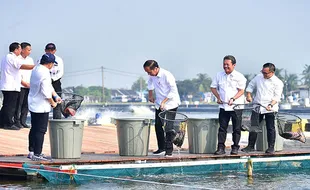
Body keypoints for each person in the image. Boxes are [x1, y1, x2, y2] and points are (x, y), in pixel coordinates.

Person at [241, 63, 284, 154]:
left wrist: (271, 105)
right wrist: (248, 95)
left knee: (270, 128)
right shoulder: (258, 77)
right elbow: (250, 86)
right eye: (262, 72)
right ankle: (250, 146)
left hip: (270, 108)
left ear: (272, 72)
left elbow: (277, 97)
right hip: (257, 105)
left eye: (266, 73)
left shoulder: (278, 82)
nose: (263, 74)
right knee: (254, 127)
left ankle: (271, 147)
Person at [27, 53, 62, 160]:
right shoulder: (45, 72)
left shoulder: (36, 69)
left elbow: (49, 85)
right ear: (50, 63)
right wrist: (53, 102)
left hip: (33, 103)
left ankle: (32, 152)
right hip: (41, 106)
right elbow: (46, 91)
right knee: (41, 130)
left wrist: (56, 96)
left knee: (34, 128)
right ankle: (38, 154)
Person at [210, 55, 247, 155]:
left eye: (228, 65)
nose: (225, 66)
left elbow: (241, 91)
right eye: (224, 64)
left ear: (234, 65)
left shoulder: (239, 76)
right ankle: (221, 148)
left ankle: (235, 147)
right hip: (223, 106)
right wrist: (218, 97)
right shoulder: (219, 75)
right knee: (222, 128)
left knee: (236, 128)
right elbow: (213, 88)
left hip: (236, 106)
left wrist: (233, 98)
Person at [143, 60, 181, 157]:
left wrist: (164, 102)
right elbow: (150, 83)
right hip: (159, 103)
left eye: (149, 72)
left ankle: (169, 151)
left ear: (155, 68)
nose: (148, 74)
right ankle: (161, 148)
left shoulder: (167, 75)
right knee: (158, 126)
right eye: (147, 72)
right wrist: (150, 94)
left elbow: (173, 91)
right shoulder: (152, 75)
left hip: (171, 103)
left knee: (168, 127)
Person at [0, 42, 35, 130]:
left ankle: (2, 122)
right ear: (15, 50)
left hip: (9, 85)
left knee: (6, 105)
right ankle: (8, 123)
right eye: (19, 49)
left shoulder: (6, 57)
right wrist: (36, 66)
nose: (20, 51)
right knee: (10, 106)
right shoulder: (11, 57)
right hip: (11, 85)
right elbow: (22, 66)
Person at [14, 42, 34, 128]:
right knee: (19, 104)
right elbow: (16, 73)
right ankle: (16, 121)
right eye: (28, 50)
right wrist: (22, 82)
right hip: (20, 85)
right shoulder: (17, 59)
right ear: (22, 49)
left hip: (29, 85)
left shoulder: (30, 60)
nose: (30, 51)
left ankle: (23, 121)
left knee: (26, 104)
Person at [44, 43, 64, 119]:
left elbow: (61, 72)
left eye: (52, 50)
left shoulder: (59, 60)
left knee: (57, 102)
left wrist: (53, 79)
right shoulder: (41, 59)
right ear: (45, 50)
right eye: (48, 50)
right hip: (45, 81)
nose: (50, 51)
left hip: (55, 82)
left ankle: (57, 120)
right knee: (45, 101)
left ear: (55, 50)